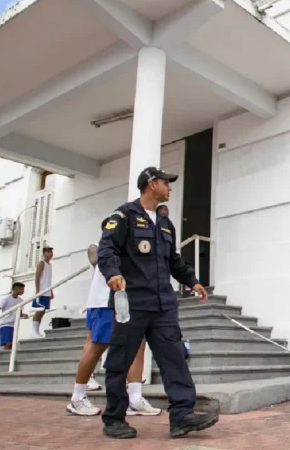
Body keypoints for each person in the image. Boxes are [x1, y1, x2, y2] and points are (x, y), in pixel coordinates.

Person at [97, 166, 217, 439]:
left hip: (163, 304)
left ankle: (182, 416)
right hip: (133, 302)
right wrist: (113, 273)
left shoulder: (164, 223)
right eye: (166, 182)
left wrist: (191, 280)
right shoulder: (124, 215)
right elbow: (106, 248)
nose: (170, 187)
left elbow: (172, 260)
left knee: (174, 358)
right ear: (151, 184)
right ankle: (114, 418)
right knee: (119, 361)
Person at [66, 219, 161, 417]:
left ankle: (135, 399)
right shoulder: (98, 246)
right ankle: (77, 397)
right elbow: (97, 260)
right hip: (103, 302)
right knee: (97, 347)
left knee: (139, 345)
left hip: (127, 302)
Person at [31, 246, 54, 336]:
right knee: (39, 310)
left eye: (51, 252)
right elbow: (37, 277)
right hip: (41, 291)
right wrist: (37, 291)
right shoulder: (41, 263)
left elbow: (49, 280)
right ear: (44, 253)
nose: (50, 254)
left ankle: (37, 329)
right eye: (48, 252)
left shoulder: (50, 265)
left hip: (47, 291)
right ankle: (34, 331)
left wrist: (51, 292)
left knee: (43, 311)